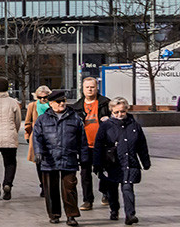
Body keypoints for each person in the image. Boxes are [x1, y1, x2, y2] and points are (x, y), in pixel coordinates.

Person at [32, 89, 88, 226]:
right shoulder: (43, 119)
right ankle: (54, 214)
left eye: (64, 101)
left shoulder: (75, 118)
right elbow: (37, 138)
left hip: (68, 157)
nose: (62, 103)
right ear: (51, 103)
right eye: (58, 101)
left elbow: (82, 140)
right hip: (49, 159)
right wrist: (38, 152)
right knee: (51, 189)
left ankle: (71, 215)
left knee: (69, 188)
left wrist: (84, 157)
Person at [94, 97, 150, 225]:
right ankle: (114, 209)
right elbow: (98, 145)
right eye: (116, 112)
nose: (120, 114)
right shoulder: (106, 126)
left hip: (129, 162)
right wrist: (97, 164)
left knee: (127, 188)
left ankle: (130, 214)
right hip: (112, 163)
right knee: (112, 189)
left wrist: (145, 161)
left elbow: (142, 145)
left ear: (126, 110)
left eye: (122, 112)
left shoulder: (134, 125)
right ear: (111, 112)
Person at [71, 76, 111, 210]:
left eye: (92, 87)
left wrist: (109, 120)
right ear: (83, 89)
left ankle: (106, 193)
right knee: (85, 173)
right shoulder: (76, 107)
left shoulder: (105, 103)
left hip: (102, 145)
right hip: (84, 145)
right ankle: (88, 200)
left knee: (103, 171)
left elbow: (117, 118)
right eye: (87, 87)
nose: (90, 89)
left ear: (97, 88)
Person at [24, 84, 53, 196]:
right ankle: (43, 185)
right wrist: (27, 135)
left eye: (45, 97)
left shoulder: (52, 105)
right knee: (39, 162)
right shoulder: (33, 105)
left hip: (51, 137)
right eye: (40, 97)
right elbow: (28, 122)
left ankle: (49, 185)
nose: (42, 99)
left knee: (50, 162)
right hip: (37, 137)